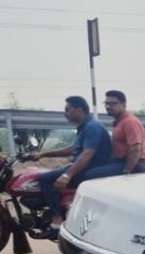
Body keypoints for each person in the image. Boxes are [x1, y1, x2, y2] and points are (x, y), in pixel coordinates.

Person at [27, 95, 112, 236]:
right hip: (85, 165)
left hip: (91, 168)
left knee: (45, 179)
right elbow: (73, 150)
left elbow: (87, 155)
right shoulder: (85, 127)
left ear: (79, 110)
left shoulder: (92, 127)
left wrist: (67, 175)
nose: (65, 113)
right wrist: (43, 154)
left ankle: (57, 219)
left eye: (68, 109)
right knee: (49, 174)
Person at [81, 90, 145, 179]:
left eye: (113, 104)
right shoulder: (119, 122)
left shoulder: (130, 122)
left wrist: (127, 171)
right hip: (120, 162)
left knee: (91, 175)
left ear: (124, 105)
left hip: (134, 165)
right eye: (106, 103)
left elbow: (135, 149)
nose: (108, 106)